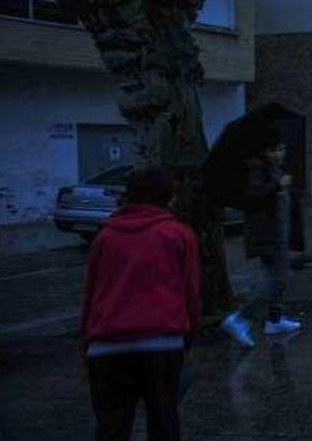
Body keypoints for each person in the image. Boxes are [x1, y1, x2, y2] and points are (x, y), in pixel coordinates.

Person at [82, 168, 200, 441]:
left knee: (112, 426)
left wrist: (87, 341)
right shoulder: (179, 234)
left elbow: (91, 293)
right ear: (169, 198)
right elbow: (191, 293)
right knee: (164, 421)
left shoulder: (105, 236)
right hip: (163, 343)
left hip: (107, 345)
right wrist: (189, 338)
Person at [221, 137, 301, 347]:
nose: (279, 154)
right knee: (277, 280)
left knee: (279, 278)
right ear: (264, 152)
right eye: (274, 150)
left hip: (280, 234)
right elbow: (253, 198)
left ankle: (273, 320)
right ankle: (240, 319)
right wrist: (277, 184)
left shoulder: (277, 170)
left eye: (281, 149)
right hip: (266, 235)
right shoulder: (257, 172)